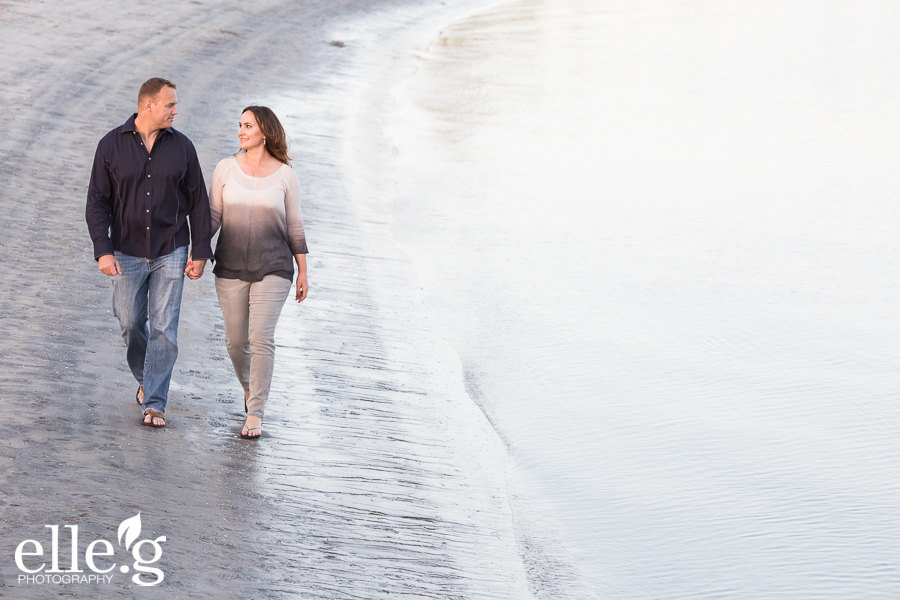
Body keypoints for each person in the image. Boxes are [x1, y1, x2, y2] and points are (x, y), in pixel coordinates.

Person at [86, 77, 212, 428]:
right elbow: (96, 202)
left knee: (165, 328)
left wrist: (200, 251)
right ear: (148, 106)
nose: (176, 110)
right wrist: (103, 251)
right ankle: (147, 376)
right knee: (129, 321)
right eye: (170, 105)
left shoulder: (183, 147)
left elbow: (199, 202)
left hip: (171, 247)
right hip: (125, 249)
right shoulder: (110, 145)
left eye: (175, 104)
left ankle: (155, 402)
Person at [209, 106, 309, 439]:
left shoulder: (284, 176)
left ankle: (255, 413)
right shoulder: (225, 169)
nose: (240, 131)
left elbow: (295, 226)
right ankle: (252, 390)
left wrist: (303, 272)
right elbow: (212, 218)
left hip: (275, 267)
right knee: (237, 343)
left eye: (247, 126)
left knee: (260, 338)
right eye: (239, 125)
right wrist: (195, 254)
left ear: (264, 132)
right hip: (230, 264)